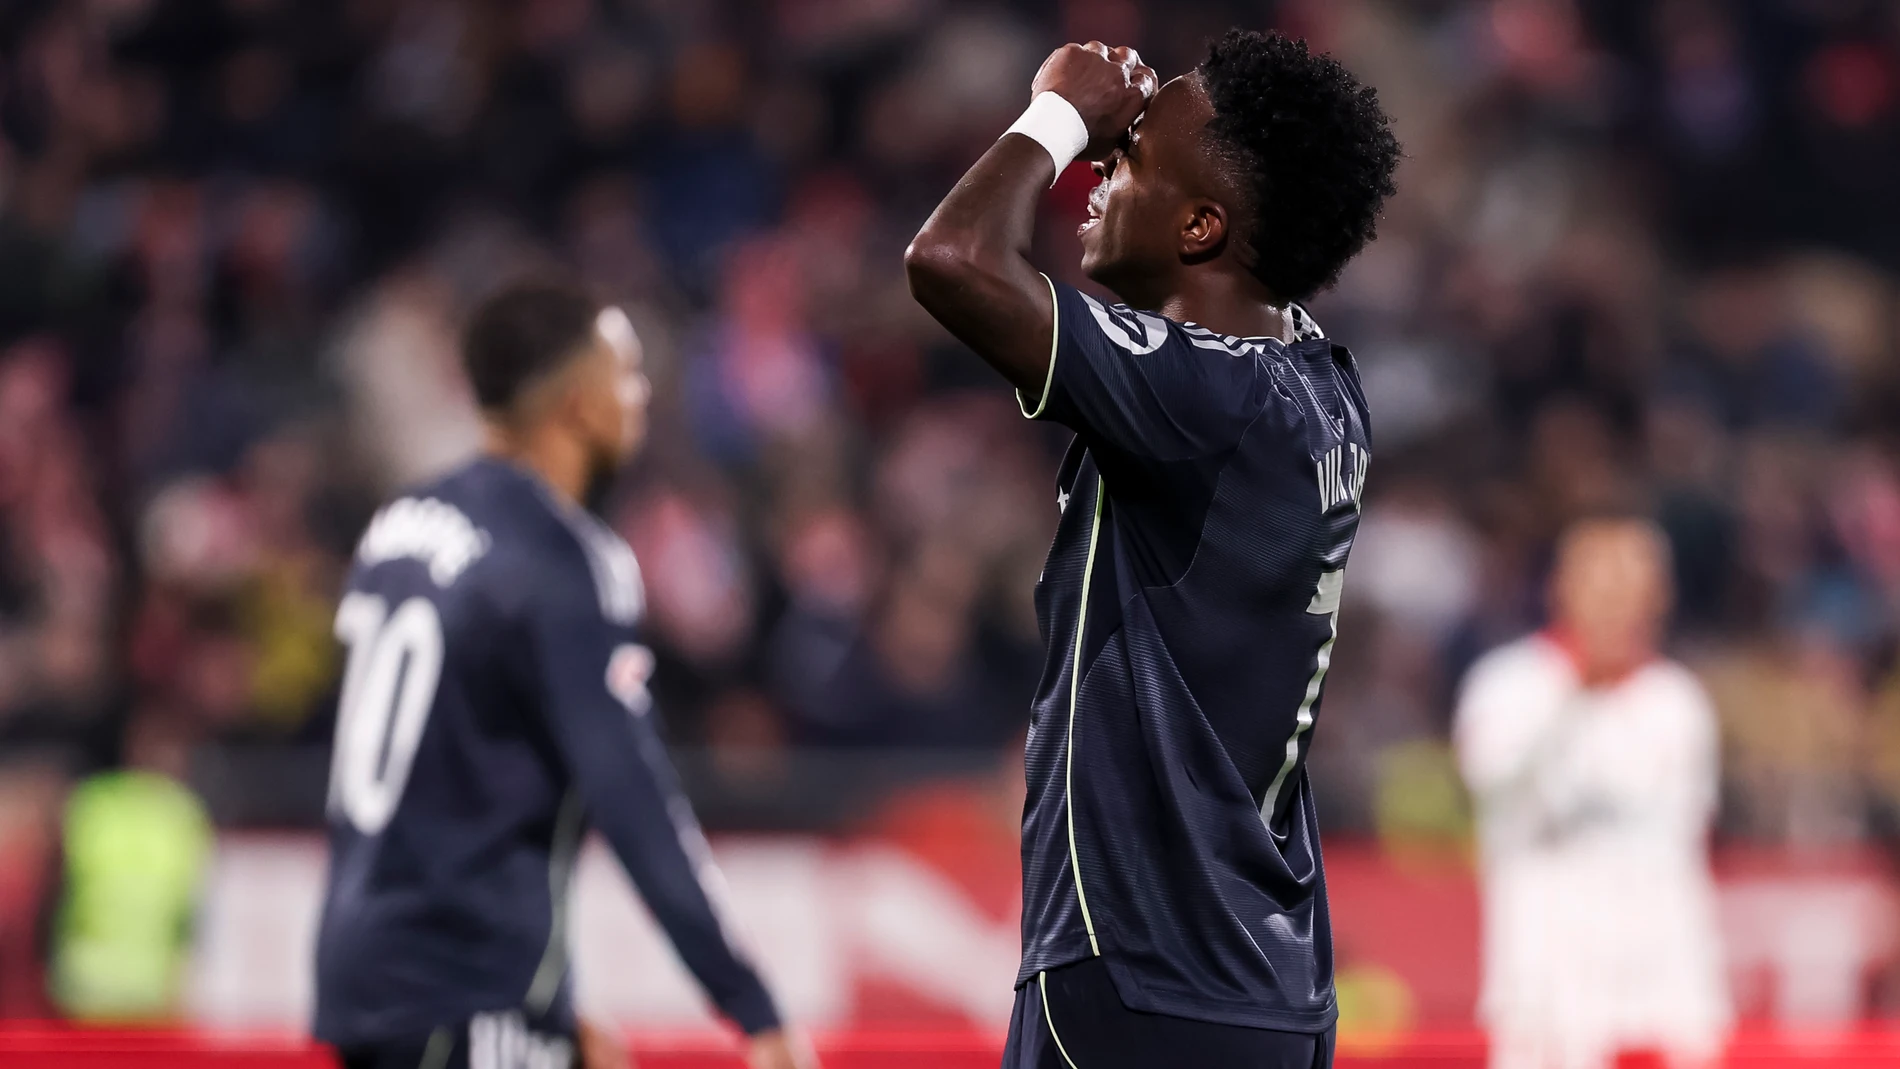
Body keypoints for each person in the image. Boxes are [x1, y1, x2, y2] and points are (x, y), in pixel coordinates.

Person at [905, 29, 1399, 1069]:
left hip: (1141, 973)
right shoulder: (1320, 385)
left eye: (1124, 159)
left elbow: (950, 261)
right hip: (1268, 987)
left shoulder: (1209, 397)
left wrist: (1056, 113)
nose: (1094, 168)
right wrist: (1161, 128)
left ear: (1204, 223)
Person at [312, 279, 812, 1069]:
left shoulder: (398, 526)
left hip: (366, 975)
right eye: (628, 374)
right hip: (465, 983)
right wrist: (751, 1004)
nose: (641, 396)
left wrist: (548, 1009)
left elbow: (439, 771)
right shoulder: (564, 558)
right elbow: (634, 796)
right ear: (579, 401)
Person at [1454, 517, 1731, 1069]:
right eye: (1602, 586)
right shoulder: (1508, 685)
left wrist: (1700, 995)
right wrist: (1576, 691)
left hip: (1663, 983)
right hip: (1548, 983)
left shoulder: (1679, 701)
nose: (1617, 606)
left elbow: (1683, 843)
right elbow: (1496, 789)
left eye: (1634, 588)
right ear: (1563, 588)